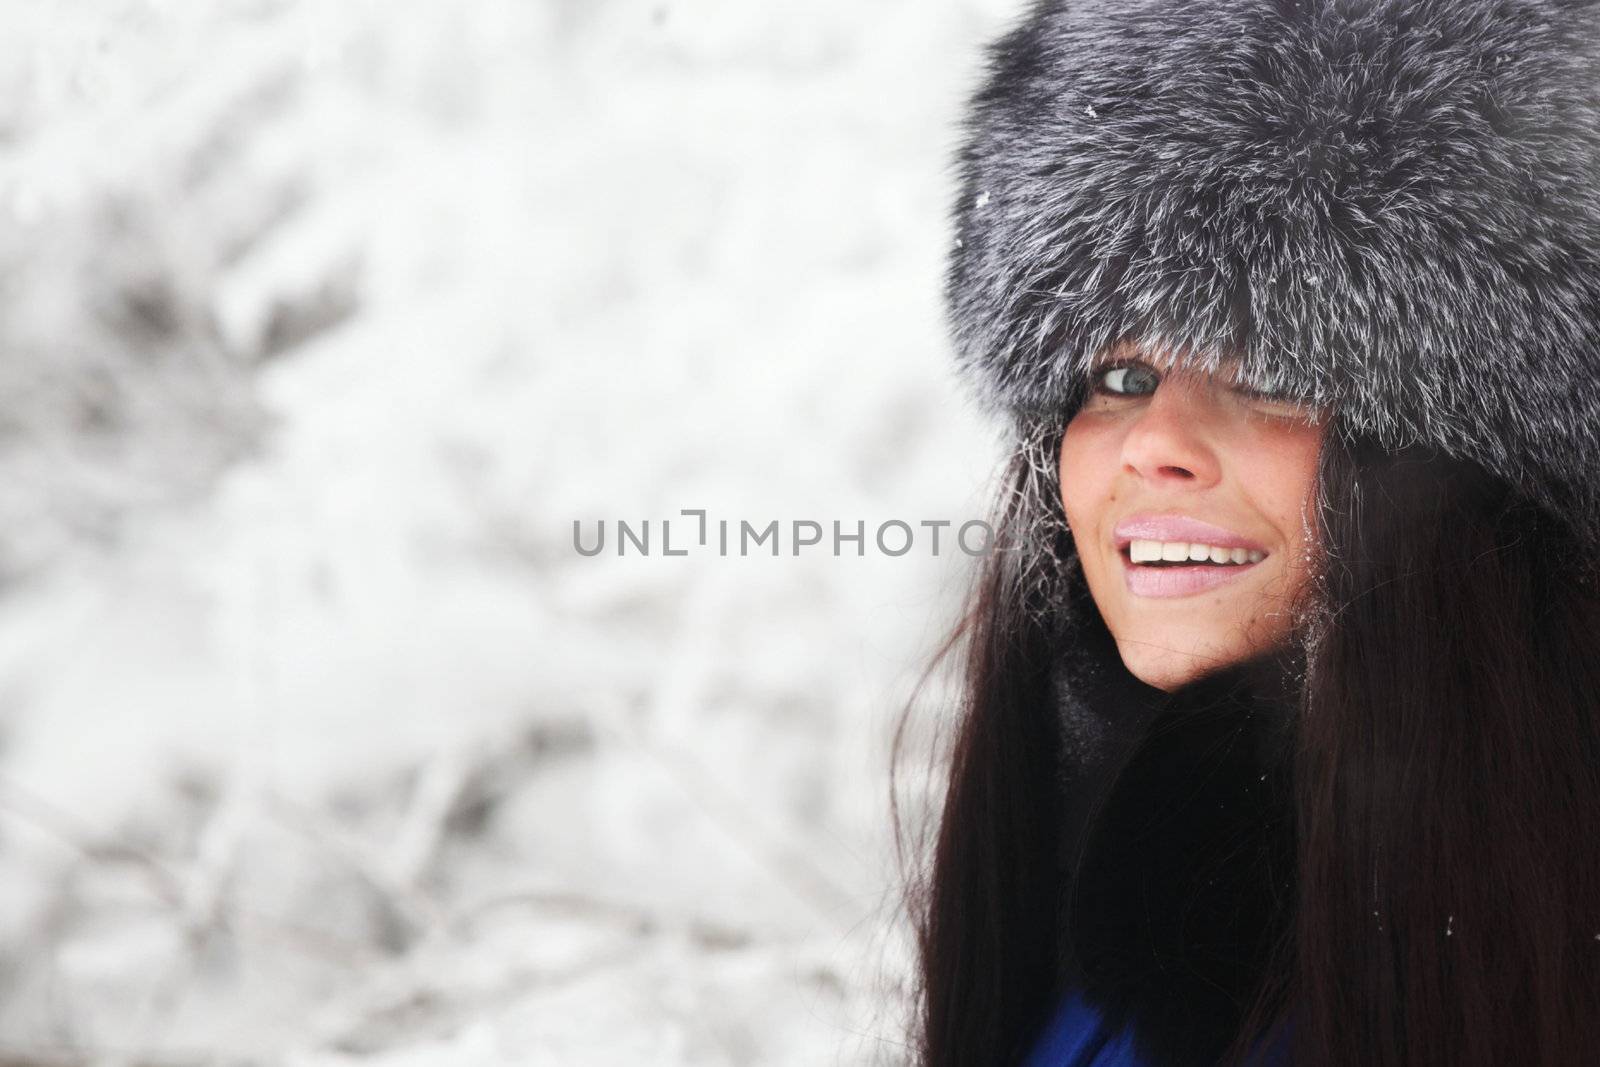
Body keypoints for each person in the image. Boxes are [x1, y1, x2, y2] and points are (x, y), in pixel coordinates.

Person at [893, 1, 1600, 1064]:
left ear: (1483, 466)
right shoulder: (1111, 924)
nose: (1152, 445)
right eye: (1120, 376)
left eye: (1269, 376)